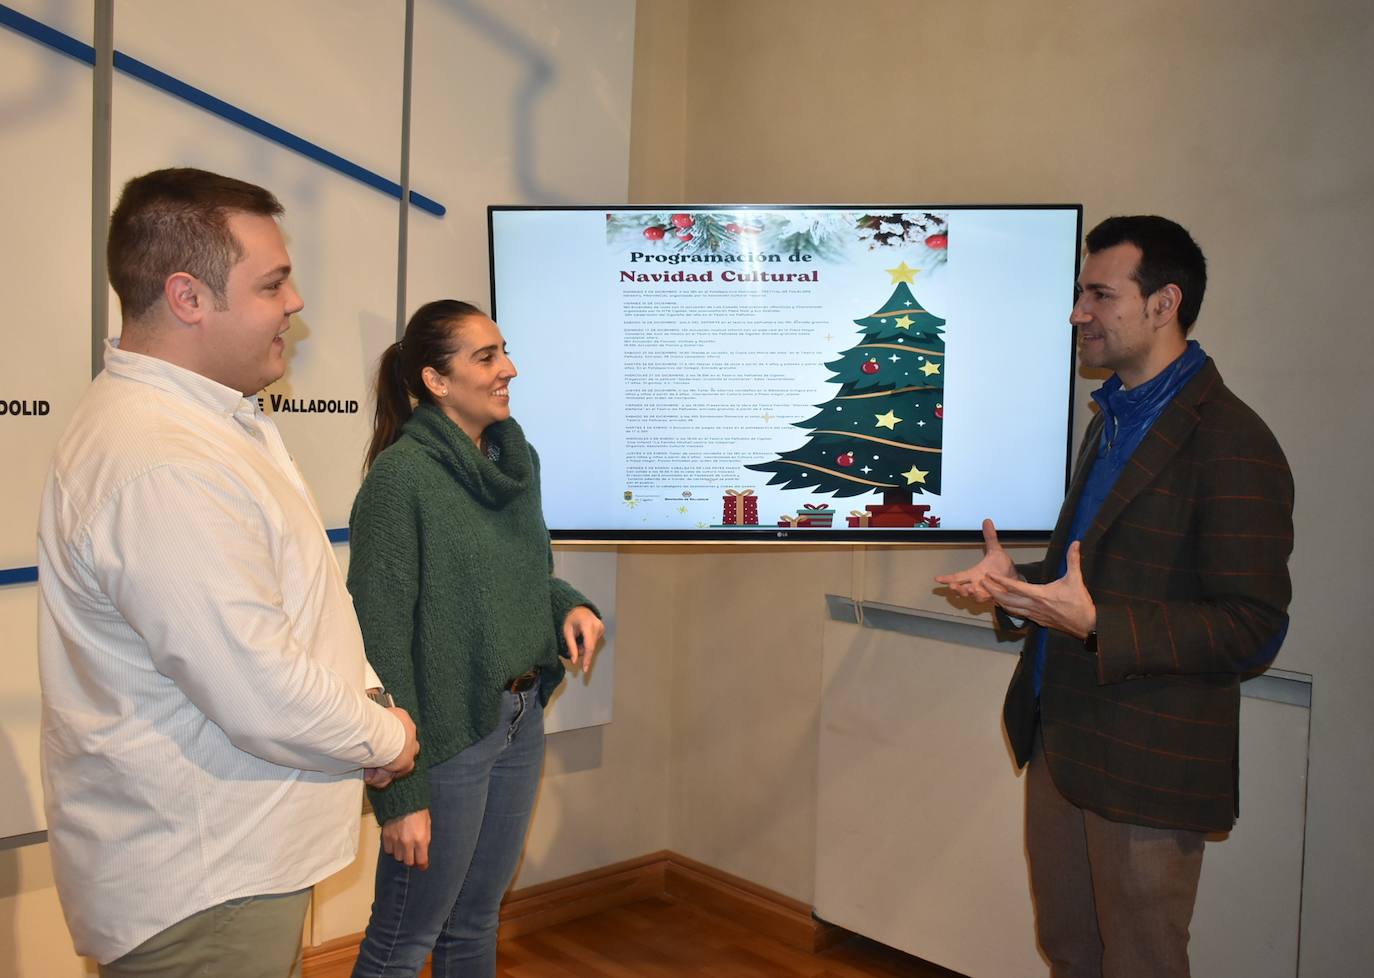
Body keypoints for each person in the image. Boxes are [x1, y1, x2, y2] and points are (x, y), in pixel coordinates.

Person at [37, 167, 420, 978]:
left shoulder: (203, 421)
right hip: (203, 886)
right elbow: (257, 682)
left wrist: (369, 702)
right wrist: (383, 734)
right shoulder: (161, 459)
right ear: (189, 298)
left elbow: (297, 616)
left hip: (230, 868)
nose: (296, 302)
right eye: (273, 282)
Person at [936, 216, 1293, 978]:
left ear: (1164, 304)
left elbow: (1253, 628)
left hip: (1146, 769)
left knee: (1140, 964)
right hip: (1061, 743)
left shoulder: (1233, 442)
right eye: (1078, 294)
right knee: (1071, 952)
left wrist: (1100, 626)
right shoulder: (1112, 422)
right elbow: (1095, 572)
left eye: (1099, 294)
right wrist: (1013, 585)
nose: (1077, 313)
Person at [347, 299, 604, 977]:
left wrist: (568, 605)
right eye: (486, 357)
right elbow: (378, 644)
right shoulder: (400, 482)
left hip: (519, 720)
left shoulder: (516, 461)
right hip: (443, 735)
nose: (508, 369)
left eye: (504, 352)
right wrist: (399, 794)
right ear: (437, 381)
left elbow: (521, 577)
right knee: (403, 940)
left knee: (475, 923)